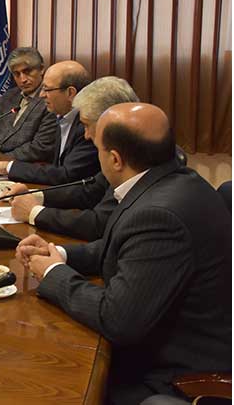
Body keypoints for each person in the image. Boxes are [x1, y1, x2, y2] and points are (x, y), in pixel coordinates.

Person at [15, 103, 231, 404]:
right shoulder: (172, 181)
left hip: (172, 375)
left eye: (97, 148)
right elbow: (119, 247)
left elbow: (117, 319)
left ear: (115, 159)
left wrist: (53, 273)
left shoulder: (160, 215)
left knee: (39, 374)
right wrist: (59, 254)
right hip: (159, 337)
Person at [7, 76, 139, 240]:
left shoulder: (135, 158)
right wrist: (34, 196)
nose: (86, 135)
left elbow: (99, 224)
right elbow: (89, 191)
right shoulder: (123, 149)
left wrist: (34, 212)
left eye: (87, 125)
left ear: (109, 121)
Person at [0, 60, 99, 185]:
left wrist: (8, 167)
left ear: (70, 93)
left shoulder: (88, 126)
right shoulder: (62, 117)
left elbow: (66, 175)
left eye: (47, 89)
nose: (42, 95)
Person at [0, 47, 57, 162]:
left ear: (41, 69)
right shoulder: (9, 96)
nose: (23, 79)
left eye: (27, 72)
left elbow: (40, 147)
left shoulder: (50, 100)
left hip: (21, 165)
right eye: (16, 74)